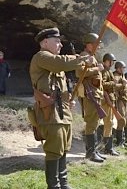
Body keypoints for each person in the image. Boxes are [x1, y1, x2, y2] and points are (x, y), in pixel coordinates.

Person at [30, 27, 94, 188]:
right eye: (56, 41)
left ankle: (63, 183)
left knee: (64, 147)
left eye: (60, 42)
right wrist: (82, 59)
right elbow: (60, 64)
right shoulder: (42, 57)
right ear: (45, 42)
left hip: (62, 112)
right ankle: (54, 185)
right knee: (54, 149)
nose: (60, 45)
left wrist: (68, 100)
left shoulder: (54, 63)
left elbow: (61, 87)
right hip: (49, 113)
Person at [75, 32, 106, 163]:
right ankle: (90, 153)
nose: (98, 47)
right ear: (89, 45)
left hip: (95, 93)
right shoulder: (83, 56)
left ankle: (93, 150)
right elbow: (79, 72)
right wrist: (97, 69)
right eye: (96, 44)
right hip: (89, 94)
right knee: (91, 123)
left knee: (95, 122)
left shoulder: (91, 57)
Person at [100, 53, 119, 156]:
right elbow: (101, 84)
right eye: (111, 61)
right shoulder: (103, 71)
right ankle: (107, 148)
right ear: (107, 61)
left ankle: (109, 147)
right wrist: (113, 83)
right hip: (105, 100)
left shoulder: (108, 71)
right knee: (108, 123)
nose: (112, 63)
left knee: (110, 123)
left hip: (110, 99)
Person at [113, 61, 127, 147]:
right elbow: (114, 86)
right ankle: (119, 141)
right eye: (123, 68)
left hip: (124, 100)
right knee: (121, 120)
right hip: (119, 100)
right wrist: (123, 84)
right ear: (119, 68)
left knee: (124, 120)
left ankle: (122, 140)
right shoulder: (116, 76)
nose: (124, 69)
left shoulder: (121, 75)